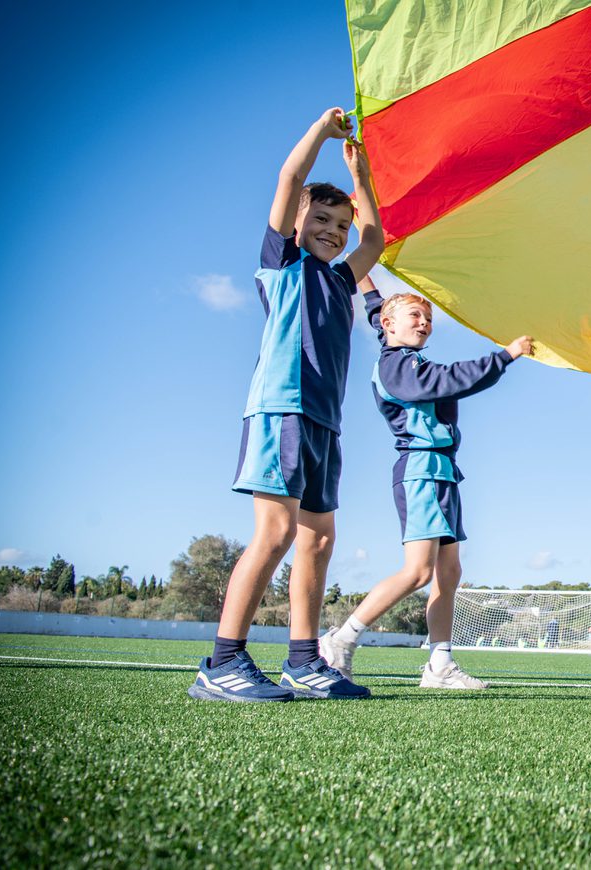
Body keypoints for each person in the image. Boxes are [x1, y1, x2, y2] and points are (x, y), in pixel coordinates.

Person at [191, 109, 383, 703]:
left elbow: (376, 239)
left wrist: (363, 179)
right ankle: (223, 661)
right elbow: (285, 180)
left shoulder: (343, 279)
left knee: (318, 541)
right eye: (320, 219)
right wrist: (321, 137)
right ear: (297, 223)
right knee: (273, 534)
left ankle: (304, 661)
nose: (333, 230)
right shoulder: (283, 267)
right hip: (282, 411)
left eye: (339, 224)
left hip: (326, 423)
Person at [316, 277, 534, 690]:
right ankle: (341, 640)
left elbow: (376, 303)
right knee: (418, 572)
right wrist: (506, 355)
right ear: (388, 325)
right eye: (415, 315)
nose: (424, 322)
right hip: (421, 471)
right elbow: (449, 380)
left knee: (448, 571)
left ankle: (439, 665)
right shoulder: (399, 365)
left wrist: (366, 269)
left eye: (429, 317)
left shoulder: (401, 351)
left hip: (444, 473)